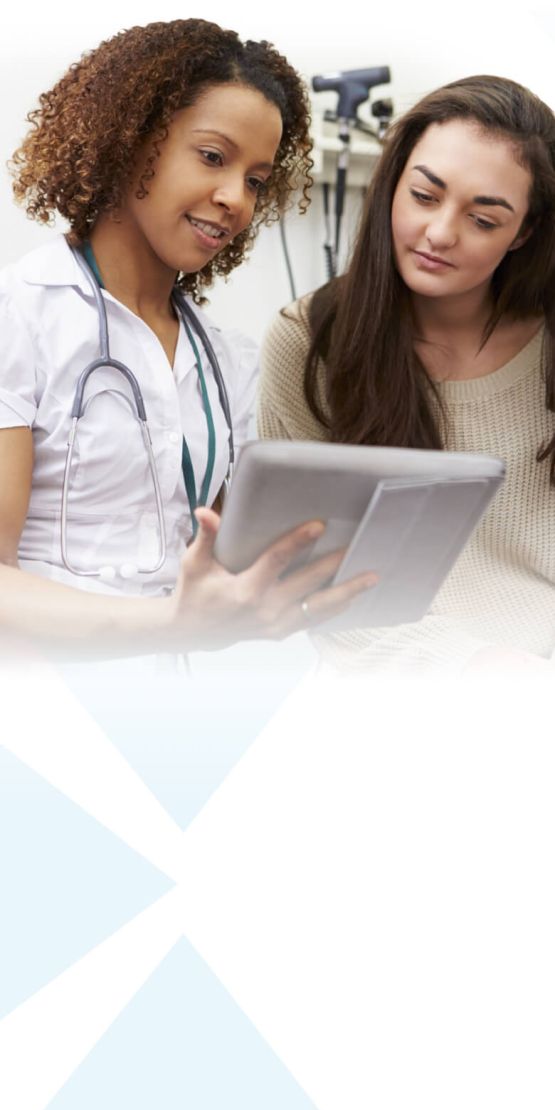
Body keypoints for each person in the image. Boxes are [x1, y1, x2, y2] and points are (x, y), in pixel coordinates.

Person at [0, 18, 374, 660]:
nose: (235, 199)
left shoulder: (226, 360)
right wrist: (171, 625)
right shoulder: (20, 316)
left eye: (256, 181)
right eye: (212, 157)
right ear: (128, 141)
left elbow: (221, 562)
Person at [258, 75, 555, 673]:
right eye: (425, 196)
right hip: (416, 680)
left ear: (523, 232)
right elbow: (307, 580)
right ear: (393, 184)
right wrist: (484, 668)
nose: (440, 234)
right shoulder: (309, 343)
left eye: (484, 219)